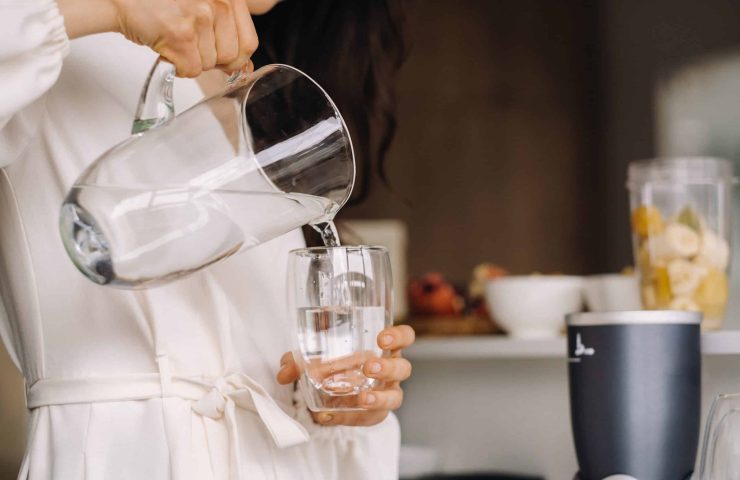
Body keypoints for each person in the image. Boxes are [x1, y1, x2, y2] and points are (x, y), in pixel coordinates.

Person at [0, 0, 414, 478]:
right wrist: (111, 7)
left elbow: (261, 355)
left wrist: (333, 400)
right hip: (131, 457)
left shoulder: (260, 70)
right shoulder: (64, 28)